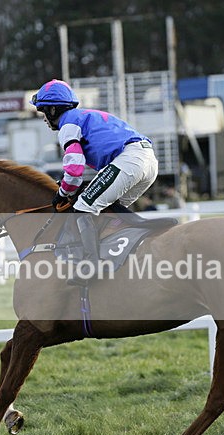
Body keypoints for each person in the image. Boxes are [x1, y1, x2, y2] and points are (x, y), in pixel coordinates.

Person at [30, 78, 158, 284]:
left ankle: (91, 265)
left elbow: (74, 168)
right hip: (148, 161)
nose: (44, 118)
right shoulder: (82, 116)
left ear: (53, 109)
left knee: (83, 208)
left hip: (130, 160)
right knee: (107, 211)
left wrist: (62, 192)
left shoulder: (67, 125)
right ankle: (119, 260)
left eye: (43, 111)